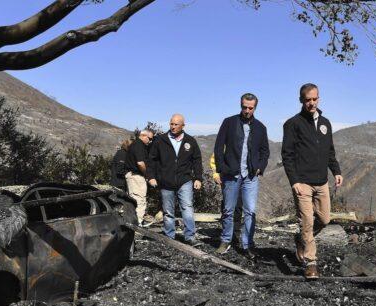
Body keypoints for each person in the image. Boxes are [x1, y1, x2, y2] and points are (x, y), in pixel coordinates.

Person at [282, 83, 343, 279]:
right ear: (301, 100)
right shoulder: (293, 124)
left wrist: (336, 171)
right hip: (303, 182)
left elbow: (330, 151)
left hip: (322, 181)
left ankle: (301, 239)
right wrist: (294, 181)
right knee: (307, 220)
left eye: (314, 99)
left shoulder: (326, 123)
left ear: (319, 98)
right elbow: (287, 155)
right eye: (307, 100)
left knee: (324, 219)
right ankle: (311, 262)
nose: (311, 103)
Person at [213, 93, 270, 259]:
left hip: (250, 176)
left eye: (250, 108)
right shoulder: (229, 122)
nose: (247, 110)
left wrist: (260, 167)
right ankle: (225, 240)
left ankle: (247, 244)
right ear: (240, 105)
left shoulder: (261, 127)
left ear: (255, 108)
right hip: (231, 174)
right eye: (244, 107)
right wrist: (221, 168)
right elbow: (218, 146)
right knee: (228, 210)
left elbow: (265, 151)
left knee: (250, 211)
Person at [147, 114, 203, 246]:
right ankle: (169, 237)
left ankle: (189, 237)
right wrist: (151, 176)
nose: (173, 126)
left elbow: (197, 160)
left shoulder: (190, 141)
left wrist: (198, 178)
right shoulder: (160, 140)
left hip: (185, 180)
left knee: (187, 208)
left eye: (176, 124)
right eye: (171, 124)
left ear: (183, 125)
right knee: (168, 211)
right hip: (166, 181)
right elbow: (151, 160)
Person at [124, 129, 154, 224]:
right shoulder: (139, 145)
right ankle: (137, 225)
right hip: (136, 176)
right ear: (144, 135)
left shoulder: (135, 145)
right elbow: (140, 163)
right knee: (139, 200)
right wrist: (147, 175)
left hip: (133, 175)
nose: (150, 141)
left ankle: (135, 224)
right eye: (150, 138)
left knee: (135, 200)